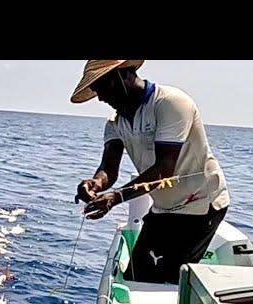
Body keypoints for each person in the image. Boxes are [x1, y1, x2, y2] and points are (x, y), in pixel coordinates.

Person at [70, 60, 230, 284]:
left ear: (124, 74)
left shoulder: (170, 103)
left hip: (200, 206)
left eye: (103, 87)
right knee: (137, 276)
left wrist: (116, 197)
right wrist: (95, 183)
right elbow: (108, 169)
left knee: (171, 280)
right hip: (163, 207)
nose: (101, 98)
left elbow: (165, 169)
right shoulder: (115, 122)